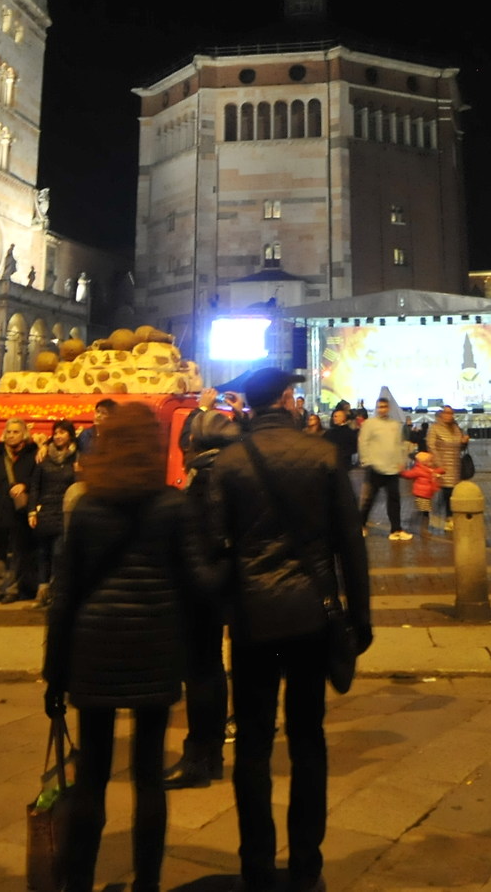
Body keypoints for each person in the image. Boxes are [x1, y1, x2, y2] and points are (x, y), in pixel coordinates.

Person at [204, 366, 371, 892]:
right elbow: (351, 544)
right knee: (308, 739)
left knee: (252, 744)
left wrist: (227, 612)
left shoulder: (229, 462)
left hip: (253, 620)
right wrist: (359, 619)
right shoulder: (323, 455)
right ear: (284, 398)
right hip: (311, 615)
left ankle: (256, 865)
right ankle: (305, 868)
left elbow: (215, 548)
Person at [43, 401, 214, 892]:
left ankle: (78, 881)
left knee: (92, 777)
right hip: (155, 649)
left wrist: (55, 673)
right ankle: (148, 884)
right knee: (148, 778)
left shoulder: (88, 506)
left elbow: (65, 596)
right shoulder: (173, 506)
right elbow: (198, 585)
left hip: (93, 650)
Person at [168, 397, 242, 789]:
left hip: (204, 595)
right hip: (226, 590)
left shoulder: (206, 482)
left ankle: (200, 757)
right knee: (213, 672)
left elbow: (208, 539)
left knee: (201, 674)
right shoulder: (233, 475)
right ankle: (209, 755)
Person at [0, 418, 39, 604]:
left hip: (18, 513)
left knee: (19, 553)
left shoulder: (32, 454)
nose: (11, 435)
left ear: (24, 434)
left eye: (16, 432)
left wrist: (24, 485)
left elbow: (37, 479)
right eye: (9, 432)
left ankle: (13, 588)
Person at [27, 420, 79, 605]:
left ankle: (57, 592)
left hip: (65, 512)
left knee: (59, 553)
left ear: (70, 436)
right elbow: (35, 486)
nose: (58, 436)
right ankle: (42, 593)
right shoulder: (44, 457)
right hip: (46, 511)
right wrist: (32, 511)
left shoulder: (76, 458)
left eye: (62, 432)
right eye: (56, 432)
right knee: (43, 553)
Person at [356, 397, 409, 541]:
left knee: (394, 499)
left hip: (392, 468)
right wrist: (366, 461)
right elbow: (363, 442)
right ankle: (360, 524)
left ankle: (396, 529)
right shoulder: (369, 424)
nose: (382, 409)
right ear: (376, 408)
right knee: (369, 499)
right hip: (375, 467)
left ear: (389, 408)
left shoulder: (394, 424)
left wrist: (401, 461)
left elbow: (399, 444)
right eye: (380, 406)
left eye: (385, 406)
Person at [425, 406, 469, 531]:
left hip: (455, 465)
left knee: (452, 492)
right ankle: (445, 518)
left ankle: (449, 517)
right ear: (441, 414)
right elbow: (431, 445)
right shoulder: (435, 428)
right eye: (447, 413)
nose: (450, 415)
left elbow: (460, 447)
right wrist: (438, 464)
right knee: (445, 493)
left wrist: (464, 442)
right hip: (442, 466)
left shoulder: (456, 428)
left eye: (451, 413)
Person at [402, 450, 442, 535]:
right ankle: (422, 528)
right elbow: (408, 474)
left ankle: (416, 526)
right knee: (423, 512)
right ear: (423, 462)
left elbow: (438, 471)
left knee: (423, 511)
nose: (432, 462)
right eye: (430, 461)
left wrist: (442, 470)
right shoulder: (419, 470)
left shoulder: (430, 469)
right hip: (421, 494)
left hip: (427, 494)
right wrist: (401, 471)